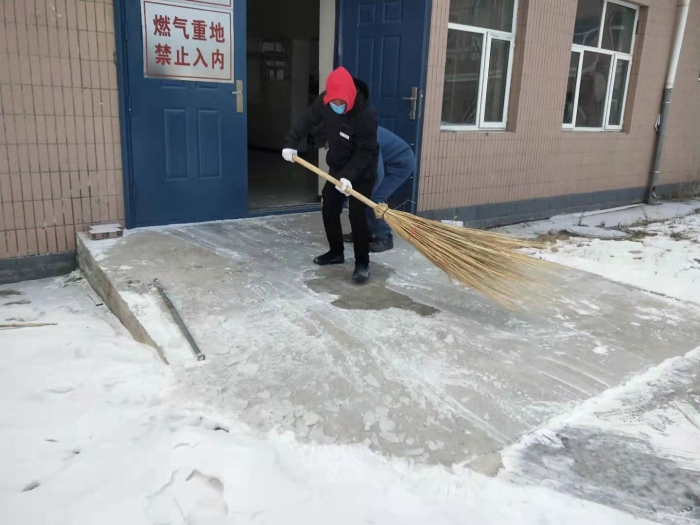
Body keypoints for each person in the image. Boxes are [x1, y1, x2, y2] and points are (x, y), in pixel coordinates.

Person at [282, 67, 379, 283]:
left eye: (340, 103)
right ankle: (336, 253)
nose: (336, 106)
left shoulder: (366, 115)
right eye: (332, 102)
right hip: (338, 165)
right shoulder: (325, 102)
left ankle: (362, 263)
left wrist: (349, 176)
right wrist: (290, 144)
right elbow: (306, 121)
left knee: (357, 216)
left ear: (350, 97)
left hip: (362, 171)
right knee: (329, 209)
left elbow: (365, 151)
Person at [343, 127, 415, 252]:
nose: (326, 147)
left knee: (373, 199)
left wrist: (364, 195)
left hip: (400, 164)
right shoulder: (346, 135)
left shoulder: (366, 137)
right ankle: (363, 233)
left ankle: (385, 238)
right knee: (361, 198)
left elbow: (378, 173)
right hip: (386, 162)